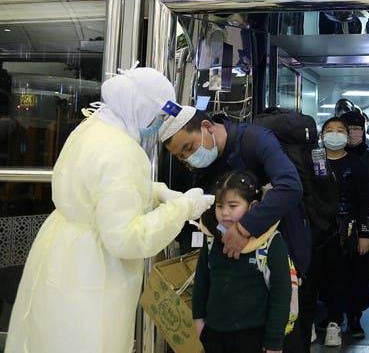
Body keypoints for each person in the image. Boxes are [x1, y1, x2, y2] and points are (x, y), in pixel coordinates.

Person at [5, 67, 214, 353]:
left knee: (48, 336)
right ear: (142, 108)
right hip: (93, 269)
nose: (157, 124)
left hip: (61, 253)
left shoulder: (93, 127)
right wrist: (182, 208)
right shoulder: (122, 152)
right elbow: (127, 238)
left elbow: (98, 192)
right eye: (159, 116)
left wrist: (156, 192)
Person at [158, 106, 310, 352]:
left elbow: (290, 186)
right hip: (235, 273)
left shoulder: (256, 140)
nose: (188, 158)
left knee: (283, 334)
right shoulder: (204, 167)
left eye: (188, 147)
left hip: (281, 252)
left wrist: (243, 229)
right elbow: (207, 211)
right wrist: (223, 231)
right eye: (181, 156)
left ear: (207, 127)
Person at [193, 171, 292, 353]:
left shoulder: (270, 241)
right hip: (213, 334)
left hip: (254, 337)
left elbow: (281, 294)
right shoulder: (211, 238)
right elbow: (201, 282)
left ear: (252, 207)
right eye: (219, 205)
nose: (224, 213)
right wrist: (199, 322)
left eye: (233, 205)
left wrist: (274, 342)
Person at [315, 117, 369, 347]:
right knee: (327, 277)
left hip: (350, 230)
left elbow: (366, 201)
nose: (335, 134)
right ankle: (332, 320)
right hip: (323, 229)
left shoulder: (357, 163)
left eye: (340, 130)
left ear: (347, 136)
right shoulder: (316, 161)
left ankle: (354, 318)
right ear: (321, 136)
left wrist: (365, 234)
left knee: (354, 276)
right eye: (329, 130)